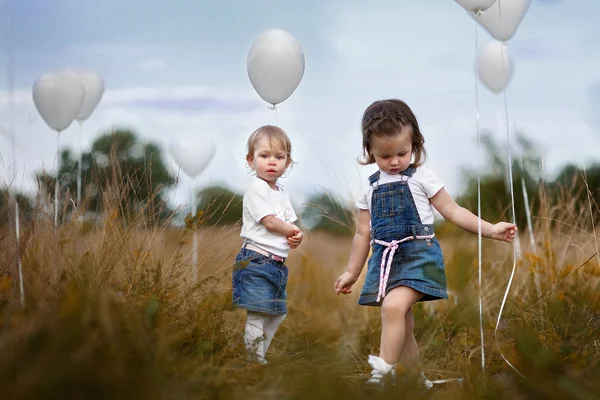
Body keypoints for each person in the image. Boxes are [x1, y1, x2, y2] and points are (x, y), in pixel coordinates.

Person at [334, 99, 517, 388]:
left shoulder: (422, 177)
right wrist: (351, 272)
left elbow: (453, 210)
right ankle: (415, 381)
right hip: (385, 260)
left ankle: (383, 374)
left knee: (393, 308)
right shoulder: (369, 187)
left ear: (416, 144)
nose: (394, 161)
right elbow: (362, 234)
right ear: (370, 151)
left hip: (419, 256)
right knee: (403, 324)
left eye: (402, 153)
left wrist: (491, 229)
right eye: (384, 156)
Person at [232, 125, 304, 364]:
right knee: (258, 313)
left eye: (279, 157)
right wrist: (292, 231)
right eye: (264, 156)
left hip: (276, 265)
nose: (272, 162)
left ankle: (258, 354)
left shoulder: (281, 192)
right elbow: (270, 222)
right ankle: (254, 360)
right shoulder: (256, 188)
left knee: (278, 313)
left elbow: (289, 222)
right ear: (251, 160)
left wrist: (296, 236)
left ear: (287, 162)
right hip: (256, 260)